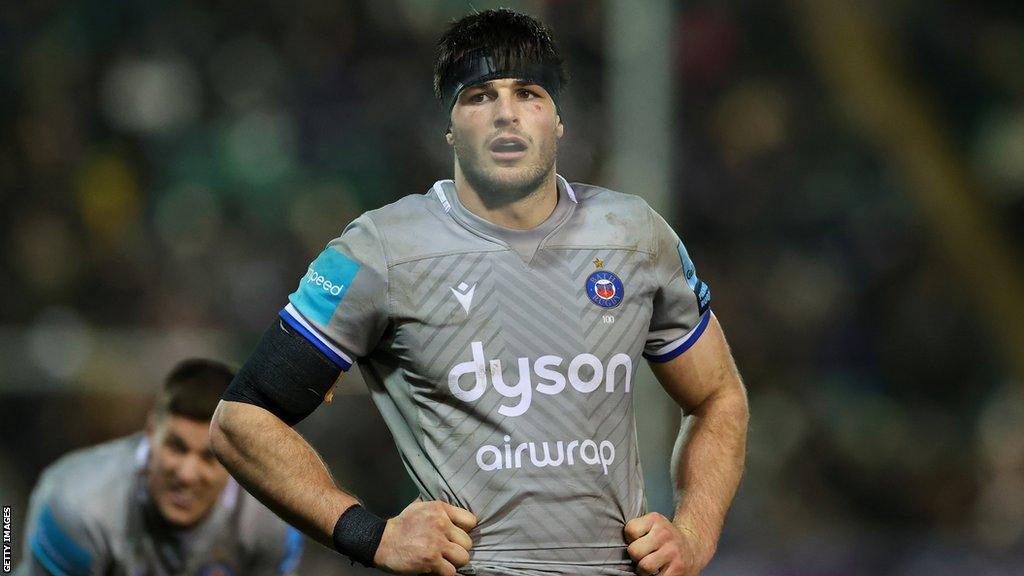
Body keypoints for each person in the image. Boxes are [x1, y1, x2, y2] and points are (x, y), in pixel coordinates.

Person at [211, 8, 748, 576]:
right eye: (479, 96)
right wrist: (371, 536)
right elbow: (242, 419)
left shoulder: (635, 236)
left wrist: (693, 535)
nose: (506, 114)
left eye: (528, 93)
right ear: (449, 128)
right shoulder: (380, 250)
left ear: (559, 120)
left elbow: (719, 398)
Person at [17, 359, 304, 576]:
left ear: (237, 458)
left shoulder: (274, 520)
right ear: (151, 432)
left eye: (210, 456)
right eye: (176, 447)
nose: (186, 474)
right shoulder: (75, 504)